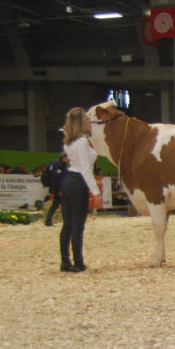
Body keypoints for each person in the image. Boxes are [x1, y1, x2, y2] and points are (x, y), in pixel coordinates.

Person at [59, 107, 101, 272]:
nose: (90, 122)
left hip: (68, 180)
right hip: (78, 183)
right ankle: (78, 262)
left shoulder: (70, 141)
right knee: (78, 226)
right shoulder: (82, 141)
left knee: (67, 225)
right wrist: (96, 191)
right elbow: (85, 168)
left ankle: (65, 262)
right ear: (81, 123)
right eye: (88, 120)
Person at [43, 154, 69, 226]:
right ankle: (49, 221)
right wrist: (60, 189)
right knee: (59, 204)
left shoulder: (59, 163)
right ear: (64, 157)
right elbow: (57, 178)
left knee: (59, 204)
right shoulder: (59, 165)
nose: (69, 159)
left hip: (59, 187)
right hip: (59, 187)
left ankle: (49, 221)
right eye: (68, 157)